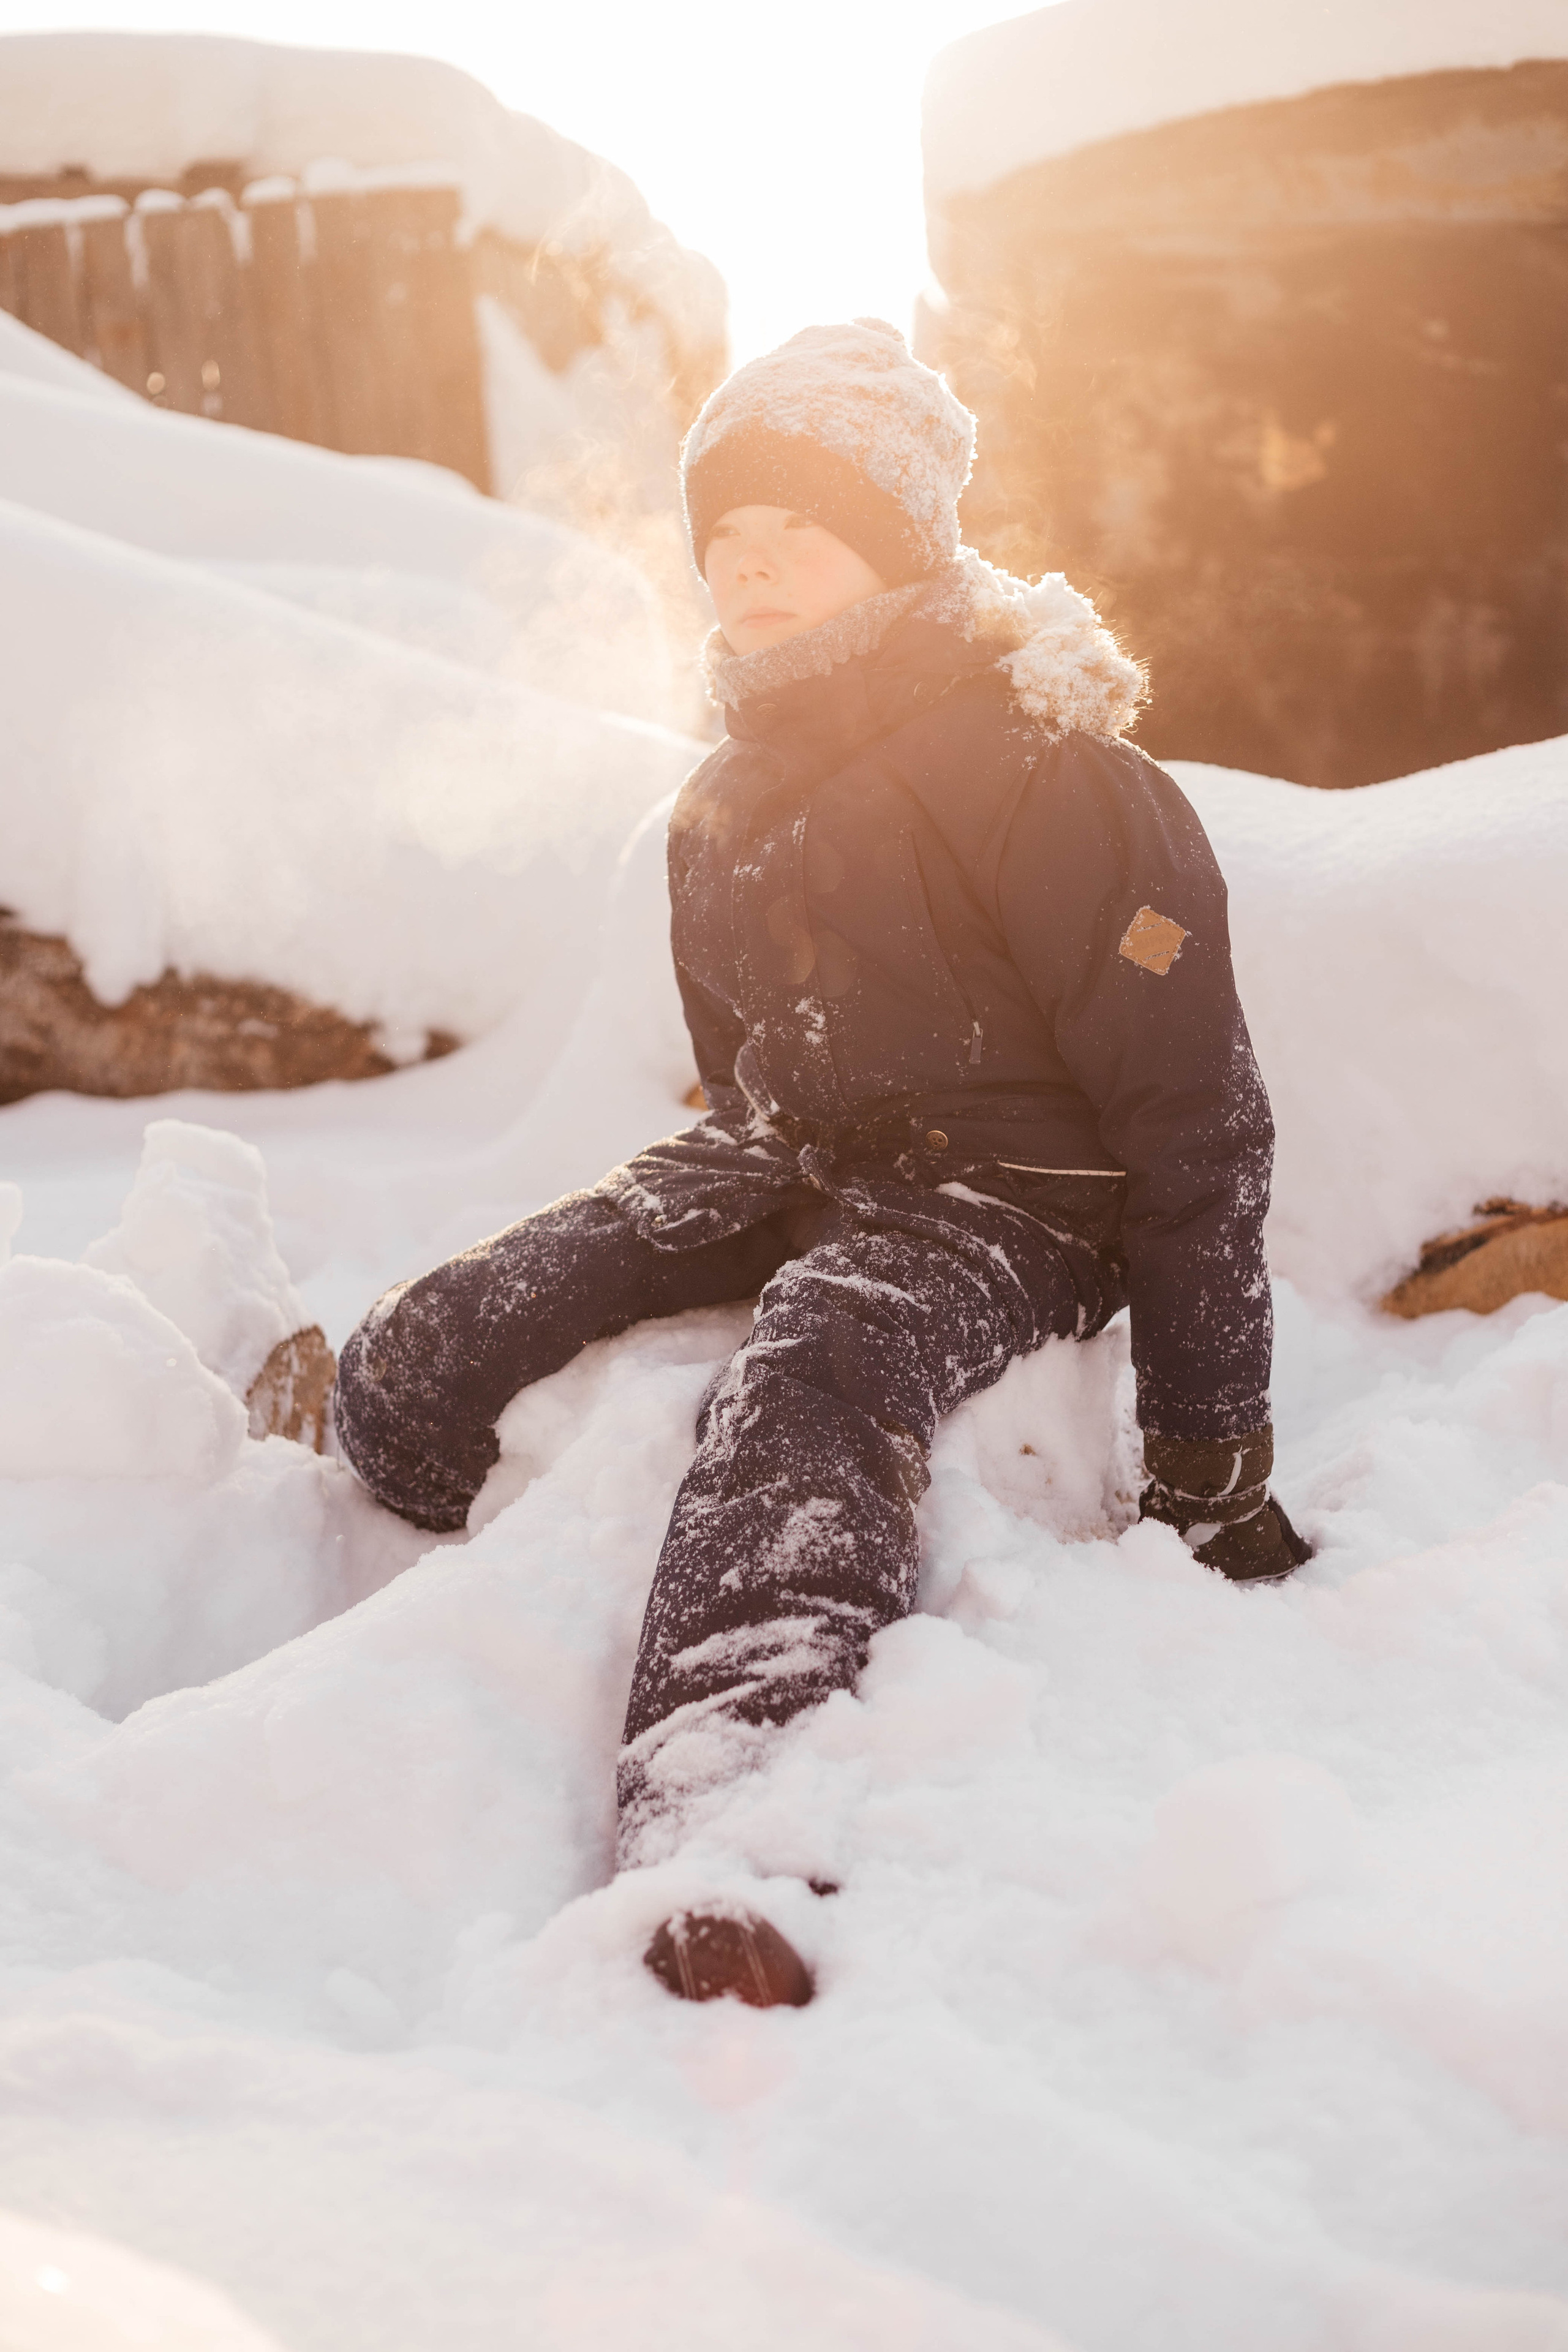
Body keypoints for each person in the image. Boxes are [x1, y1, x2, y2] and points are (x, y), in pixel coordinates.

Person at [334, 320, 1310, 2010]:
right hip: (801, 1155)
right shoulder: (725, 795)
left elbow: (1194, 1121)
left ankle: (732, 1814)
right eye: (725, 529)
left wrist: (1211, 1449)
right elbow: (744, 1063)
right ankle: (396, 1508)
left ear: (903, 537)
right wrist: (715, 1188)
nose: (749, 557)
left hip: (1024, 1203)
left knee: (824, 1352)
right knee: (462, 1321)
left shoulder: (1050, 764)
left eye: (804, 519)